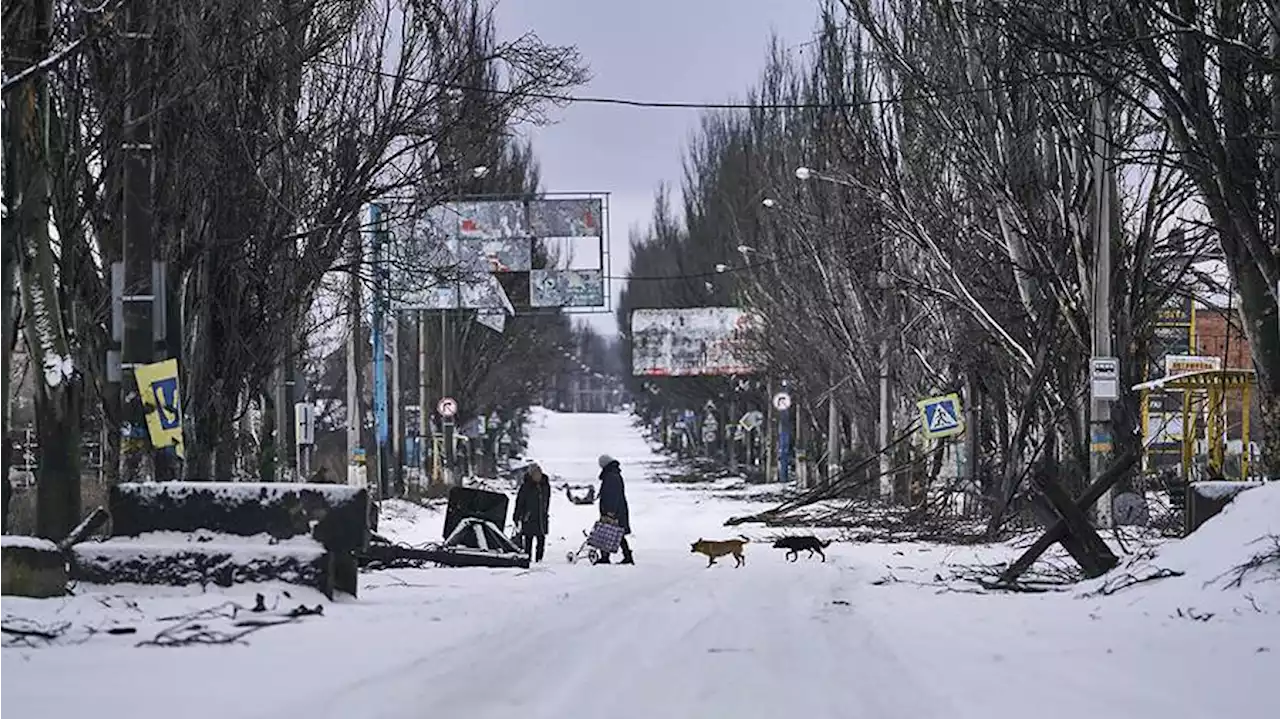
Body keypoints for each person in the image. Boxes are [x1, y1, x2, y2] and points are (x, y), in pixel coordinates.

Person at [596, 454, 634, 565]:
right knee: (614, 533)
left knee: (609, 532)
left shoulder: (611, 476)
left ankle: (607, 557)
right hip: (616, 509)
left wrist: (610, 511)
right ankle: (626, 556)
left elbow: (613, 495)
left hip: (614, 510)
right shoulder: (613, 474)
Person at [513, 462, 551, 562]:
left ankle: (539, 559)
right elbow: (519, 502)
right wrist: (516, 517)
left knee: (541, 539)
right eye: (535, 473)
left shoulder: (545, 485)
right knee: (528, 539)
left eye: (539, 473)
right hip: (529, 517)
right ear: (531, 474)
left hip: (541, 517)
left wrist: (545, 511)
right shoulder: (526, 487)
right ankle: (527, 558)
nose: (537, 475)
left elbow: (547, 499)